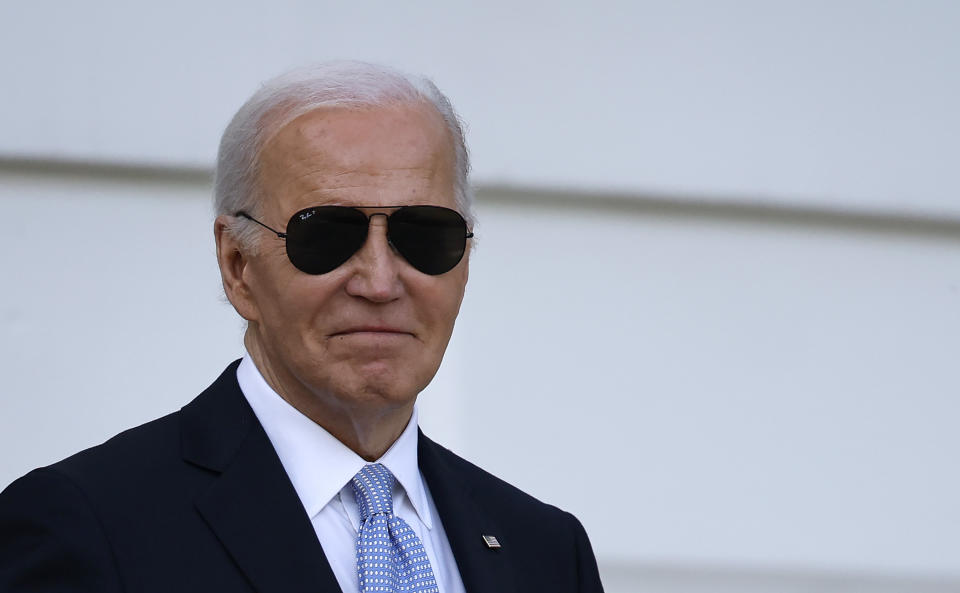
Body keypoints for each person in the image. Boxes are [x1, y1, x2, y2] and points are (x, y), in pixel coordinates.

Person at [0, 62, 604, 592]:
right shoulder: (87, 524)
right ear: (237, 265)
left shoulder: (547, 552)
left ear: (466, 259)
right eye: (326, 236)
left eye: (424, 235)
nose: (379, 281)